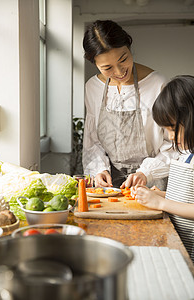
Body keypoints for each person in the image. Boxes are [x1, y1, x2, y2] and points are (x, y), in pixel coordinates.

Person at [82, 20, 178, 189]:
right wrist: (99, 169)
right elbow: (92, 141)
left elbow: (173, 144)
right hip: (109, 185)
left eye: (123, 59)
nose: (119, 72)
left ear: (129, 47)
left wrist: (146, 173)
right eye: (107, 67)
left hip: (153, 183)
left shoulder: (157, 84)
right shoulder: (92, 88)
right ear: (95, 64)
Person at [131, 75, 194, 262]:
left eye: (173, 128)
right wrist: (160, 195)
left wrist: (161, 204)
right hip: (180, 244)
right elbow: (187, 199)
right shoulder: (186, 155)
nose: (170, 136)